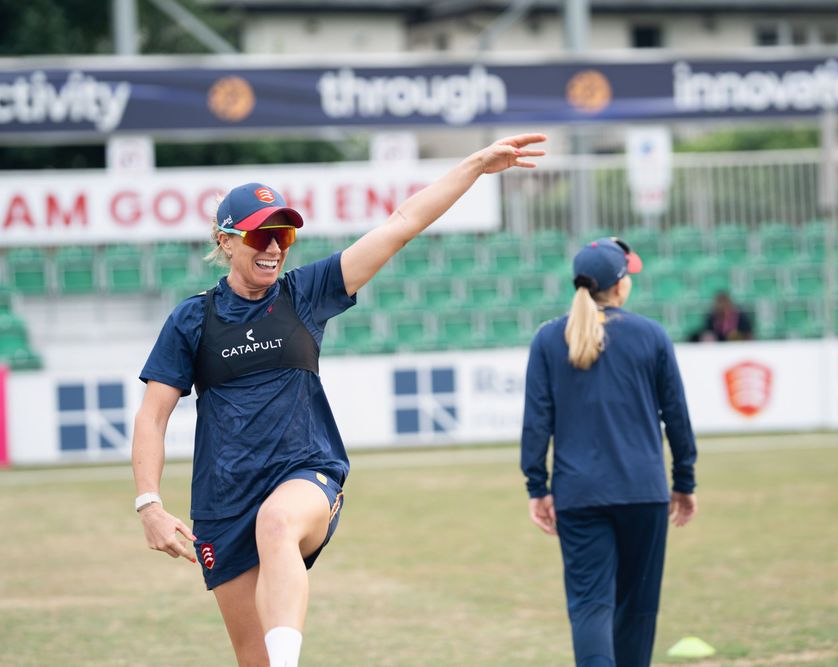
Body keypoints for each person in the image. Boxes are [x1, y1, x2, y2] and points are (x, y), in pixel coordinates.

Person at [131, 133, 546, 666]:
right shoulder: (193, 318)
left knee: (276, 524)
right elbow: (153, 415)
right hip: (223, 501)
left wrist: (475, 165)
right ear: (226, 240)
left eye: (283, 234)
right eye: (260, 236)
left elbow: (401, 224)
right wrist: (149, 504)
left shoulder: (306, 293)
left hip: (304, 474)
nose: (275, 247)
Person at [520, 237, 699, 667]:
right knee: (637, 609)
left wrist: (537, 486)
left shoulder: (548, 339)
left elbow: (535, 422)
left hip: (579, 495)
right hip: (644, 492)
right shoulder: (652, 335)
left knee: (590, 606)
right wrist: (685, 482)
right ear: (619, 286)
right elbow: (676, 417)